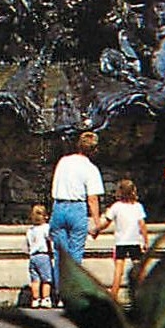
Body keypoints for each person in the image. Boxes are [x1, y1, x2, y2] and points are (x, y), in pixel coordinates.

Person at [48, 129, 105, 304]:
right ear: (94, 151)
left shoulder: (63, 161)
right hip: (77, 209)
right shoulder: (90, 168)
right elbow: (93, 198)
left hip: (58, 207)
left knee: (60, 254)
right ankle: (73, 294)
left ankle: (59, 294)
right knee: (75, 254)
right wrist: (96, 222)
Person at [100, 178, 149, 301]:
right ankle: (143, 295)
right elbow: (142, 225)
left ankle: (113, 297)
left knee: (118, 271)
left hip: (121, 242)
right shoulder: (138, 206)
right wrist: (146, 240)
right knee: (139, 269)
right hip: (135, 241)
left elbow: (106, 222)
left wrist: (96, 229)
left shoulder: (116, 207)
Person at [25, 203, 54, 309]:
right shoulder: (46, 228)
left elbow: (28, 244)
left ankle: (35, 299)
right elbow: (49, 240)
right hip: (43, 255)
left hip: (33, 256)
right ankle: (46, 298)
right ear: (45, 216)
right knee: (47, 279)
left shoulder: (30, 230)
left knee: (35, 280)